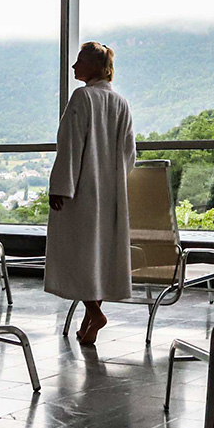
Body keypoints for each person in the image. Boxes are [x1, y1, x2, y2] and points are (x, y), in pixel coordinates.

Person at [45, 40, 136, 346]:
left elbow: (70, 144)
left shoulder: (82, 97)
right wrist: (115, 182)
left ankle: (95, 314)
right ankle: (89, 319)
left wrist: (60, 187)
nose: (74, 65)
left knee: (76, 254)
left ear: (96, 66)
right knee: (99, 254)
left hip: (80, 190)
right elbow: (129, 153)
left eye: (80, 60)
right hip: (110, 192)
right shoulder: (120, 102)